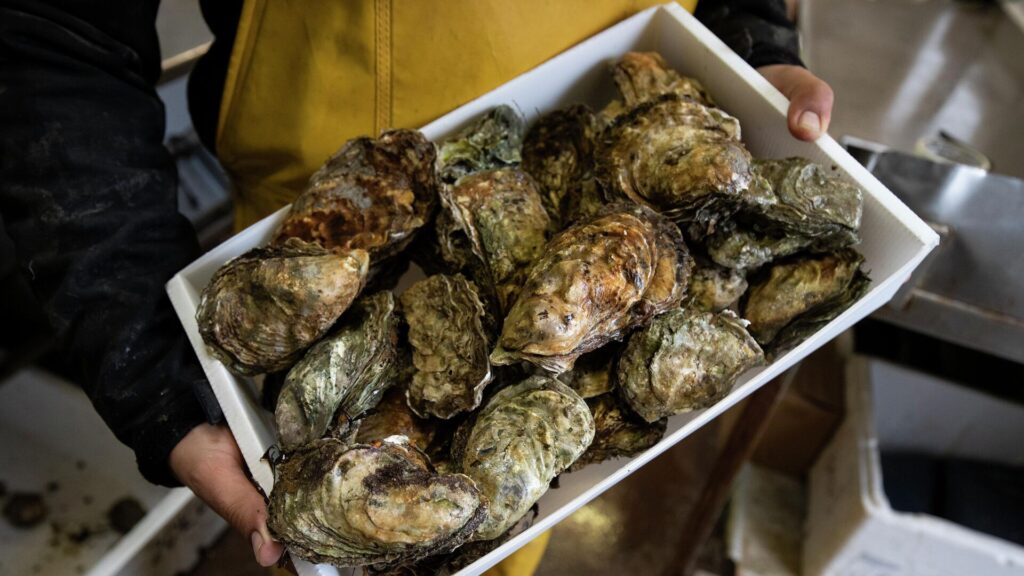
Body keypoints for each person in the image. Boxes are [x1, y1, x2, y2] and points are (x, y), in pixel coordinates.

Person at [0, 0, 833, 570]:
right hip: (322, 224)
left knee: (503, 522)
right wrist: (147, 362)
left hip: (619, 122)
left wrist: (752, 44)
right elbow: (51, 38)